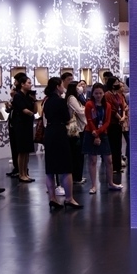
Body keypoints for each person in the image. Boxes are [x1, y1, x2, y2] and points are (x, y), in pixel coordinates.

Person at [43, 77, 81, 210]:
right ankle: (69, 198)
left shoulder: (47, 101)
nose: (63, 87)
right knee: (66, 167)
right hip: (59, 132)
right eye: (61, 85)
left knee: (50, 168)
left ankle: (52, 198)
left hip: (49, 132)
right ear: (57, 87)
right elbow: (66, 118)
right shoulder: (60, 101)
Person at [83, 82, 122, 194]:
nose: (98, 95)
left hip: (102, 133)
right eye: (96, 93)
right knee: (92, 160)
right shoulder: (89, 104)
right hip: (90, 133)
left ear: (103, 93)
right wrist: (95, 133)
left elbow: (107, 122)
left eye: (100, 93)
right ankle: (94, 185)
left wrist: (98, 132)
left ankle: (111, 183)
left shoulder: (107, 105)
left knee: (109, 160)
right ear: (93, 94)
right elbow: (89, 120)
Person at [11, 73, 36, 182]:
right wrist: (31, 113)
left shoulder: (28, 96)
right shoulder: (18, 96)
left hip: (28, 125)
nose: (30, 85)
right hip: (20, 125)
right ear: (22, 84)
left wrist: (34, 100)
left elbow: (35, 110)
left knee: (27, 151)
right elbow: (24, 110)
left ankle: (25, 172)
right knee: (21, 151)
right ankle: (21, 174)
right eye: (28, 83)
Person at [65, 81, 86, 184]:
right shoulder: (72, 98)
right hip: (76, 130)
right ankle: (76, 177)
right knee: (76, 154)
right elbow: (80, 111)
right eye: (78, 86)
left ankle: (78, 176)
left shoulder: (77, 98)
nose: (80, 87)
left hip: (79, 128)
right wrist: (86, 109)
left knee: (78, 154)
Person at [104, 76, 125, 176]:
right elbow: (111, 109)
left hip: (119, 123)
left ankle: (118, 166)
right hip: (112, 123)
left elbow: (123, 106)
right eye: (116, 82)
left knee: (118, 145)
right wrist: (120, 118)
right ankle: (112, 167)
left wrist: (123, 117)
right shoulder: (107, 95)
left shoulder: (118, 95)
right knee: (112, 145)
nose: (118, 84)